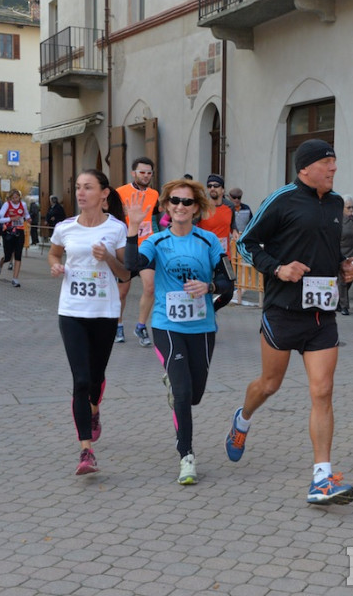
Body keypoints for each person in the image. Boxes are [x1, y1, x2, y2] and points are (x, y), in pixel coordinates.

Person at [225, 138, 353, 505]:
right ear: (305, 169)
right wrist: (278, 269)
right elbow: (247, 244)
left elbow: (327, 251)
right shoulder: (282, 199)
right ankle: (243, 418)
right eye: (326, 163)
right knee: (269, 385)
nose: (333, 168)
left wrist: (344, 269)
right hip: (283, 312)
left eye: (335, 161)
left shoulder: (334, 204)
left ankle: (321, 478)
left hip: (321, 315)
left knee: (323, 390)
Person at [124, 179, 234, 484]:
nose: (180, 207)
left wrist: (208, 287)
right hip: (166, 325)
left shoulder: (208, 241)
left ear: (196, 208)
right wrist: (133, 229)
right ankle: (186, 456)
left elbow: (228, 284)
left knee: (195, 394)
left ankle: (175, 382)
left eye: (187, 202)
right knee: (184, 394)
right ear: (166, 206)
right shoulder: (156, 242)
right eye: (174, 201)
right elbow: (130, 266)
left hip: (202, 326)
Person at [48, 169, 130, 475]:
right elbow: (54, 254)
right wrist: (56, 266)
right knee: (80, 381)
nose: (81, 193)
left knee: (95, 378)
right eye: (78, 187)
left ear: (104, 193)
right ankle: (86, 452)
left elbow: (125, 274)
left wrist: (108, 257)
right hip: (71, 312)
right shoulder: (65, 227)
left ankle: (95, 409)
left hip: (105, 313)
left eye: (88, 187)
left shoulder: (117, 229)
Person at [115, 157, 160, 346]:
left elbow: (156, 220)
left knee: (150, 287)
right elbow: (113, 220)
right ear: (133, 173)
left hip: (147, 246)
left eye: (149, 173)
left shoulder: (155, 194)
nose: (146, 176)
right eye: (142, 172)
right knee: (122, 292)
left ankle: (141, 326)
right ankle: (118, 325)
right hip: (127, 246)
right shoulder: (120, 192)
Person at [198, 174, 235, 310]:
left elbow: (231, 224)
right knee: (202, 288)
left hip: (224, 256)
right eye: (209, 186)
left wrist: (235, 231)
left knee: (229, 291)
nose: (212, 188)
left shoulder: (230, 206)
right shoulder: (201, 208)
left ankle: (212, 310)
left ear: (223, 190)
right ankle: (201, 317)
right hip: (204, 255)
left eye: (216, 186)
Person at [0, 189, 30, 287]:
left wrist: (28, 219)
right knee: (8, 256)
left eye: (17, 197)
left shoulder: (23, 205)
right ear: (10, 198)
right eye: (13, 198)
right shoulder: (6, 205)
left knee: (18, 255)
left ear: (20, 197)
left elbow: (26, 214)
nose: (15, 200)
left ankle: (15, 279)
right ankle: (1, 263)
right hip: (9, 232)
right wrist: (11, 219)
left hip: (19, 231)